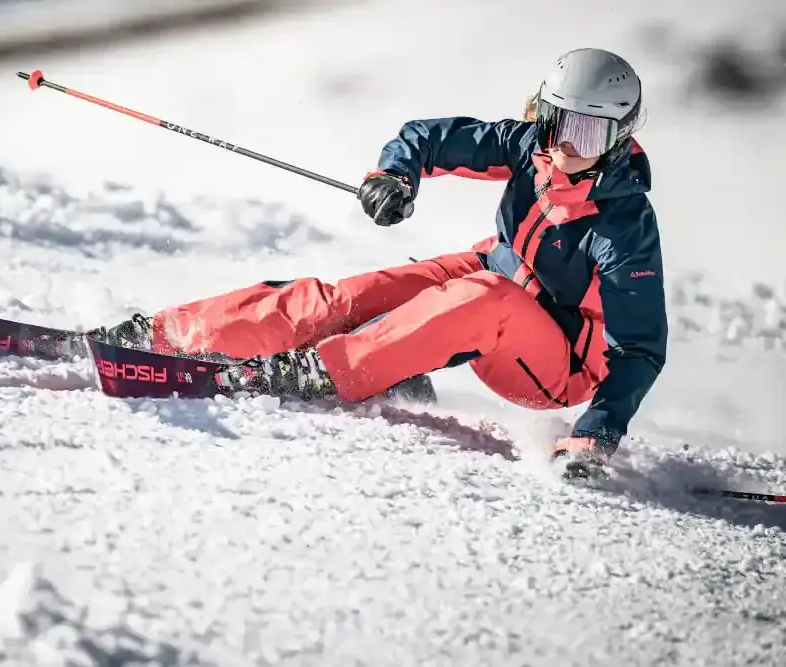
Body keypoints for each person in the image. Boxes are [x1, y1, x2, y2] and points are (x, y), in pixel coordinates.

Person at [92, 47, 667, 479]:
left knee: (483, 297)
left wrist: (595, 434)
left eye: (589, 131)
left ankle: (325, 372)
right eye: (556, 122)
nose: (566, 146)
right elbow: (429, 138)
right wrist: (394, 175)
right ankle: (168, 334)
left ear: (619, 137)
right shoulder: (527, 148)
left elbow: (637, 348)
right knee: (343, 300)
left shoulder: (623, 226)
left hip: (553, 362)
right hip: (490, 276)